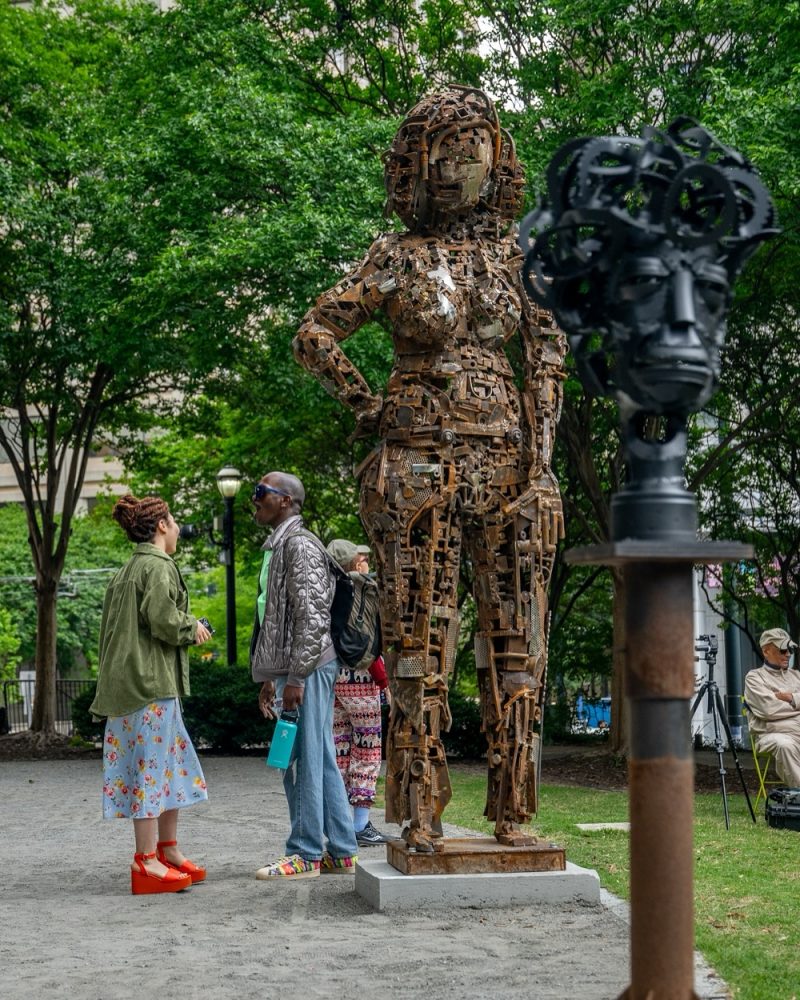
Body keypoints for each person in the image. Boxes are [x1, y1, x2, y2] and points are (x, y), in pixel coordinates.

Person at [293, 86, 566, 852]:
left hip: (509, 463)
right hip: (417, 463)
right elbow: (317, 332)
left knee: (519, 640)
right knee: (419, 639)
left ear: (496, 161)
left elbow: (548, 354)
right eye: (444, 152)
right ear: (416, 164)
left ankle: (514, 810)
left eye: (474, 150)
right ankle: (422, 809)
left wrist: (541, 461)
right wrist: (367, 403)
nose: (459, 166)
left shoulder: (514, 258)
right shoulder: (398, 256)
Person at [89, 494, 212, 895]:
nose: (177, 528)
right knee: (154, 771)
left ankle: (166, 851)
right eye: (173, 521)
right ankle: (146, 861)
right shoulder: (159, 566)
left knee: (166, 767)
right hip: (151, 685)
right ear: (161, 525)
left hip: (128, 686)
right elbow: (162, 620)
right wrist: (191, 626)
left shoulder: (125, 571)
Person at [250, 472, 359, 878]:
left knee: (300, 760)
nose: (254, 499)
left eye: (261, 492)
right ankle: (343, 850)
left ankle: (306, 852)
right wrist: (270, 675)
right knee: (320, 755)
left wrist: (295, 676)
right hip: (299, 667)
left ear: (287, 501)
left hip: (309, 666)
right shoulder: (281, 546)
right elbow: (274, 616)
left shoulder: (299, 545)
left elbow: (312, 617)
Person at [326, 538, 391, 847]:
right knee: (367, 750)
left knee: (339, 751)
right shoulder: (363, 588)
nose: (366, 562)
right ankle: (361, 824)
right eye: (361, 558)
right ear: (353, 563)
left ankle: (338, 823)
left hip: (331, 676)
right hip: (362, 679)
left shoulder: (325, 587)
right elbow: (371, 643)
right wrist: (383, 681)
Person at [744, 627, 800, 786]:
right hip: (772, 734)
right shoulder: (754, 678)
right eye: (783, 650)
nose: (788, 654)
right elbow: (768, 710)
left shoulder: (796, 676)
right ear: (766, 651)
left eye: (789, 649)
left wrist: (791, 698)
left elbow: (776, 709)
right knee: (785, 745)